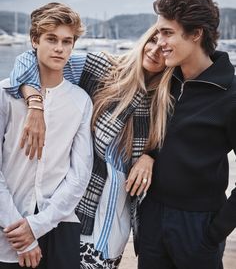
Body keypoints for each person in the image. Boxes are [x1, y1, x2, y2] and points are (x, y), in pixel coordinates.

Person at [6, 24, 173, 267]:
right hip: (75, 209)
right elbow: (31, 59)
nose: (155, 50)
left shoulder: (165, 97)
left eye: (163, 46)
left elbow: (172, 141)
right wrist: (35, 103)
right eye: (152, 41)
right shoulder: (101, 67)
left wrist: (151, 155)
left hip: (119, 217)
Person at [137, 0, 236, 269]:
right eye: (158, 33)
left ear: (196, 34)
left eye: (168, 33)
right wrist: (151, 154)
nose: (159, 42)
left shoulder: (230, 95)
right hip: (153, 219)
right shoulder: (165, 80)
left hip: (198, 227)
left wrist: (215, 232)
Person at [0, 2, 93, 269]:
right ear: (34, 40)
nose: (60, 48)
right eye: (51, 39)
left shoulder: (81, 101)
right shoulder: (5, 94)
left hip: (59, 226)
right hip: (7, 227)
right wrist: (22, 233)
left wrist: (37, 225)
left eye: (67, 41)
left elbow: (79, 174)